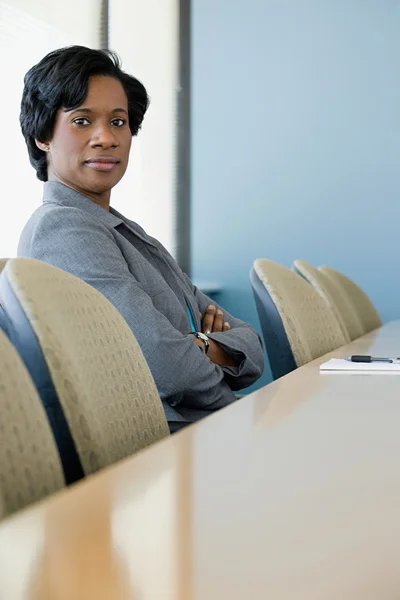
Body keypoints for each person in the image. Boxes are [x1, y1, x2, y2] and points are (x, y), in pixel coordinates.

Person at [18, 45, 264, 433]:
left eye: (118, 122)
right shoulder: (64, 229)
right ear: (42, 136)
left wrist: (195, 344)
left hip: (200, 429)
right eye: (82, 121)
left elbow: (252, 347)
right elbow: (170, 369)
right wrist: (214, 362)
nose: (106, 138)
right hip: (160, 445)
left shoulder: (125, 232)